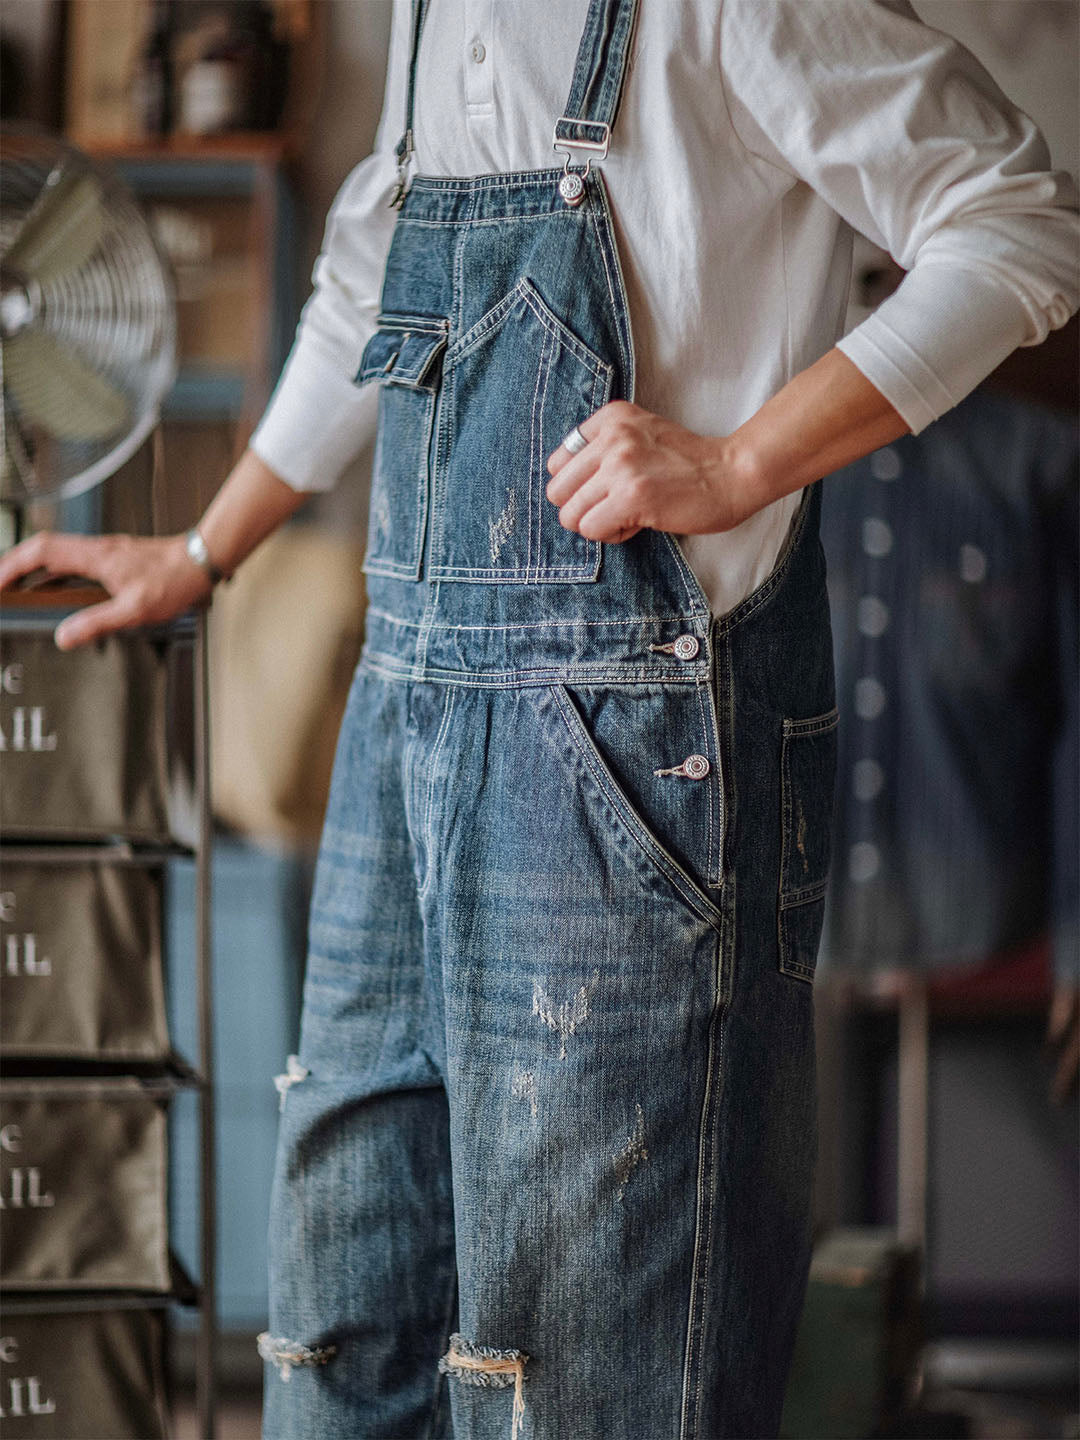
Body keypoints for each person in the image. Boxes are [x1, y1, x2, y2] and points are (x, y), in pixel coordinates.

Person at [1, 3, 1076, 1436]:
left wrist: (742, 460)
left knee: (581, 1380)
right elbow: (367, 287)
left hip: (630, 767)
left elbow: (1019, 223)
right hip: (405, 737)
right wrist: (203, 550)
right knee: (346, 1340)